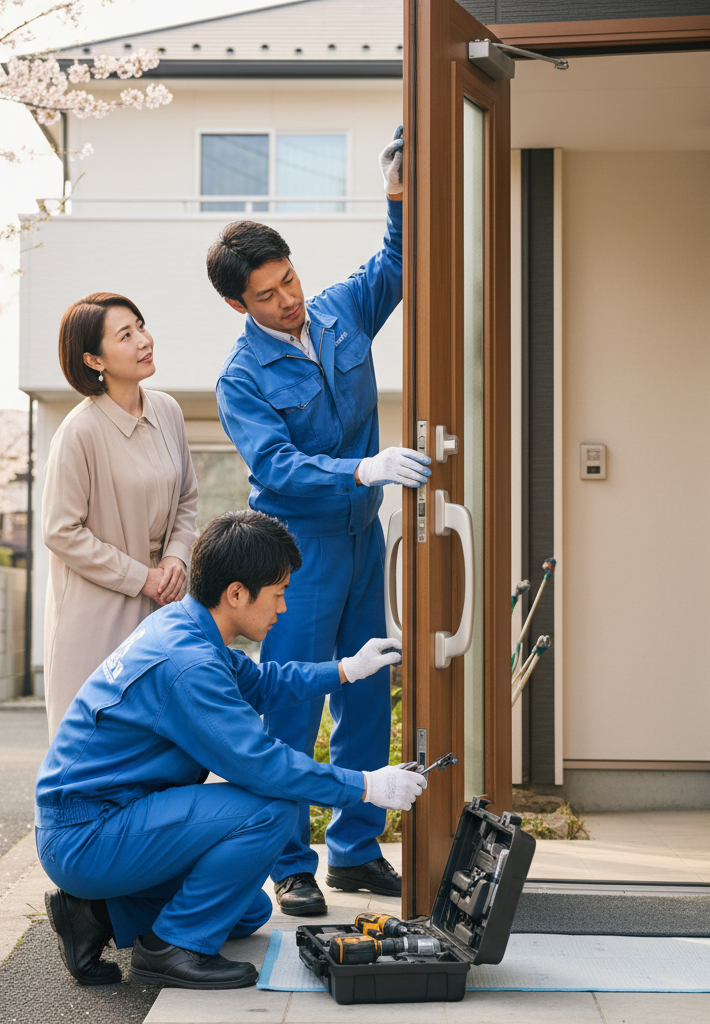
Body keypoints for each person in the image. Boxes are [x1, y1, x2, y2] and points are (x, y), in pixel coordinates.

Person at [36, 510, 427, 990]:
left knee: (248, 910)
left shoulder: (187, 624)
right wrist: (366, 786)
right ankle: (172, 948)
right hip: (87, 835)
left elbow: (261, 682)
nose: (283, 608)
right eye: (279, 593)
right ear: (237, 593)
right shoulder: (189, 665)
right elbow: (264, 766)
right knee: (271, 808)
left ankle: (93, 913)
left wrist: (345, 669)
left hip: (106, 819)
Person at [206, 127, 431, 915]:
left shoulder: (338, 314)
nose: (288, 298)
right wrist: (361, 467)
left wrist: (397, 196)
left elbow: (398, 267)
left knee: (369, 694)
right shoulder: (240, 377)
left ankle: (357, 850)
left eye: (289, 278)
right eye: (267, 294)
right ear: (240, 304)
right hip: (293, 561)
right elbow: (275, 469)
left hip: (363, 541)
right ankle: (289, 860)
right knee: (292, 710)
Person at [40, 292, 199, 737]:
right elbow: (60, 531)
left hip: (164, 601)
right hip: (96, 614)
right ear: (94, 359)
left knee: (161, 741)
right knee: (94, 743)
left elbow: (187, 497)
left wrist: (175, 559)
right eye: (125, 335)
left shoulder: (167, 410)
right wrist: (141, 576)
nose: (144, 340)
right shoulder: (78, 431)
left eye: (141, 326)